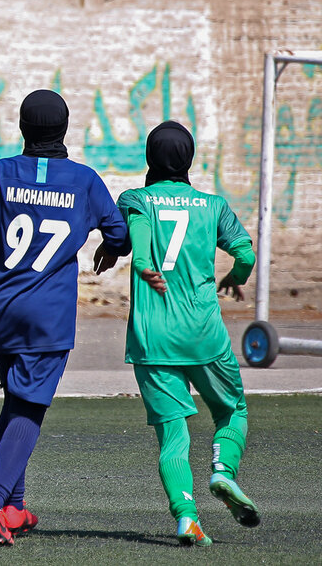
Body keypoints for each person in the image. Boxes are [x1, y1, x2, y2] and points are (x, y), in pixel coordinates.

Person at [0, 89, 130, 545]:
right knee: (29, 406)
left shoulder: (1, 171)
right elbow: (119, 232)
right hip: (48, 313)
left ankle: (14, 507)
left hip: (0, 307)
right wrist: (111, 248)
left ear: (22, 128)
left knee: (16, 399)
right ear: (64, 130)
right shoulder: (83, 180)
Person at [96, 120, 259, 547]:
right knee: (232, 411)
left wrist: (140, 261)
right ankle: (223, 473)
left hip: (154, 338)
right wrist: (233, 277)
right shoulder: (213, 205)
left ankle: (186, 517)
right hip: (204, 334)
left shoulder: (135, 199)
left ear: (149, 158)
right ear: (189, 158)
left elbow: (140, 237)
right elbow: (245, 253)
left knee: (173, 432)